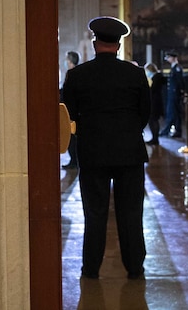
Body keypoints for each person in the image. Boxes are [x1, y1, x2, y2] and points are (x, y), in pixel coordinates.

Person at [61, 16, 151, 280]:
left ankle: (91, 268)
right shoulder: (135, 74)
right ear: (119, 45)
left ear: (94, 42)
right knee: (131, 213)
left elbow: (69, 116)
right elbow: (145, 113)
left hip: (93, 153)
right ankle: (135, 268)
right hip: (129, 153)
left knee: (95, 213)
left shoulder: (76, 75)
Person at [60, 51, 81, 169]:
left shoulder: (72, 74)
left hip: (71, 111)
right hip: (72, 110)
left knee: (72, 138)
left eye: (67, 60)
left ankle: (74, 160)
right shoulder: (74, 73)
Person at [160, 50, 185, 138]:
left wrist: (181, 91)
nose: (168, 59)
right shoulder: (174, 68)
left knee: (173, 112)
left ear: (174, 58)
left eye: (169, 57)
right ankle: (174, 130)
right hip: (172, 93)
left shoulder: (177, 68)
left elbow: (180, 81)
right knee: (173, 112)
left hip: (175, 93)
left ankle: (171, 130)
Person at [145, 62, 166, 146]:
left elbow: (152, 91)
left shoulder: (156, 78)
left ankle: (155, 138)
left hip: (155, 103)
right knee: (153, 120)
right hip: (156, 102)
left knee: (153, 120)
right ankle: (154, 138)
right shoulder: (158, 77)